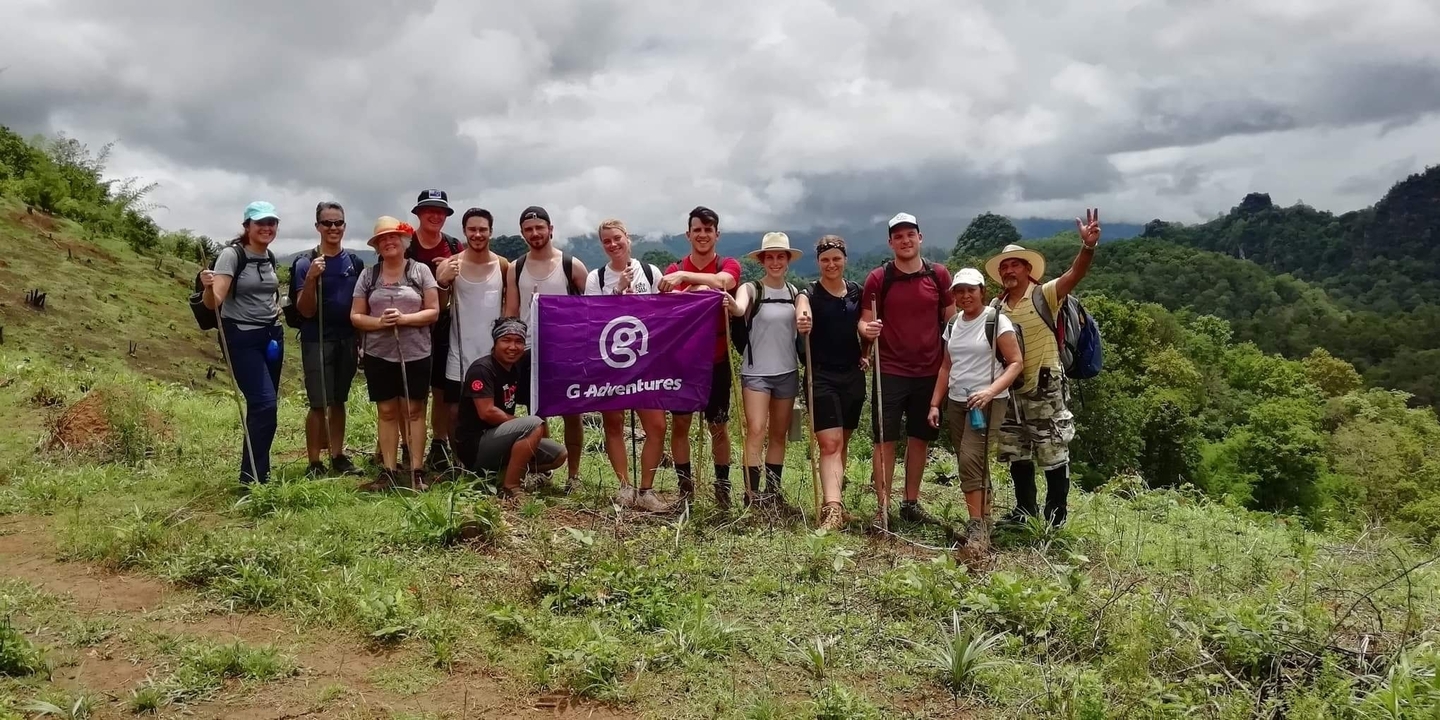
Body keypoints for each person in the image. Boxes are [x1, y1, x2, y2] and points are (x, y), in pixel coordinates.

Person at [985, 209, 1101, 527]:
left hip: (1045, 387)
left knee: (1052, 449)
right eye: (1004, 266)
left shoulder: (1044, 295)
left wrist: (1087, 247)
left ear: (1027, 269)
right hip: (1011, 390)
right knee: (1016, 450)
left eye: (1015, 265)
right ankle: (1025, 512)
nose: (1009, 270)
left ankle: (1055, 516)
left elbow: (1074, 275)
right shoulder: (996, 307)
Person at [858, 212, 955, 530]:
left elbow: (952, 322)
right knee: (884, 439)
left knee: (919, 438)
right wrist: (867, 330)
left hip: (929, 370)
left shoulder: (939, 276)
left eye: (910, 234)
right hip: (890, 370)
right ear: (890, 243)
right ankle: (882, 508)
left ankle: (910, 502)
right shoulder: (878, 279)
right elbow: (864, 319)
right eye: (898, 236)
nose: (905, 240)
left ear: (920, 237)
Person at [927, 268, 1023, 554]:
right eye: (959, 291)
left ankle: (977, 527)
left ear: (983, 291)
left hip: (988, 402)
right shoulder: (954, 323)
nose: (965, 295)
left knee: (970, 459)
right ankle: (985, 517)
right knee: (971, 460)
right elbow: (946, 366)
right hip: (957, 401)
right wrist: (935, 403)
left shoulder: (996, 321)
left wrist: (990, 391)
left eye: (971, 289)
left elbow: (1015, 362)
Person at [657, 206, 741, 508]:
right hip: (682, 361)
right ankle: (685, 490)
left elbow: (725, 282)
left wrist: (688, 281)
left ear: (717, 234)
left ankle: (722, 489)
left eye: (708, 230)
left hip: (717, 358)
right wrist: (697, 284)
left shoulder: (727, 264)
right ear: (688, 234)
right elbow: (670, 302)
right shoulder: (672, 269)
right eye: (698, 230)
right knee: (680, 425)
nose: (703, 235)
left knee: (718, 425)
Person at [350, 216, 440, 491]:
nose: (388, 242)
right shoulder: (369, 275)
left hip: (416, 352)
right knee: (387, 411)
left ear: (404, 241)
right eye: (382, 239)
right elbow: (355, 315)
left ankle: (416, 470)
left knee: (414, 410)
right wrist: (379, 323)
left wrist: (404, 318)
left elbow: (434, 311)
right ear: (377, 246)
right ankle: (388, 471)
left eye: (393, 237)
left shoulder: (420, 271)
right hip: (379, 354)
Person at [584, 219, 669, 511]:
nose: (613, 244)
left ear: (627, 238)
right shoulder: (596, 278)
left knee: (656, 425)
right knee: (614, 423)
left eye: (617, 238)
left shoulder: (650, 272)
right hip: (611, 361)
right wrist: (617, 292)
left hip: (646, 361)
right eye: (606, 241)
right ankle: (624, 487)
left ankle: (646, 489)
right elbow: (592, 318)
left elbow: (663, 313)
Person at [503, 205, 588, 491]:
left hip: (566, 350)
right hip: (529, 350)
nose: (535, 233)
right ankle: (543, 468)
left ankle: (574, 475)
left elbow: (589, 311)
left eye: (540, 228)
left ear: (550, 229)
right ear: (522, 233)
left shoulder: (571, 265)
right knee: (537, 413)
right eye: (528, 229)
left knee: (572, 412)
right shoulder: (516, 268)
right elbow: (512, 312)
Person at [200, 201, 284, 486]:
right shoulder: (231, 255)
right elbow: (215, 303)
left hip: (271, 336)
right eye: (260, 223)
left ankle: (259, 473)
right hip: (242, 338)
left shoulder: (269, 256)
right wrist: (208, 288)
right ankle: (253, 479)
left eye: (272, 222)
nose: (267, 227)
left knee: (265, 406)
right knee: (264, 404)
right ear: (247, 226)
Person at [725, 232, 802, 510]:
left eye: (780, 257)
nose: (775, 262)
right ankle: (751, 494)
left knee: (779, 434)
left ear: (787, 261)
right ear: (762, 260)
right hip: (756, 372)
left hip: (787, 371)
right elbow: (740, 307)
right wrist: (732, 305)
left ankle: (773, 492)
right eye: (770, 257)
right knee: (757, 429)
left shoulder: (795, 293)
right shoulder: (751, 288)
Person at [794, 235, 866, 531]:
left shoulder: (857, 292)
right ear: (818, 262)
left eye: (836, 258)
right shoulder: (808, 293)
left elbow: (864, 323)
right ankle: (832, 510)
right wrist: (802, 320)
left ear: (845, 259)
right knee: (830, 443)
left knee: (842, 442)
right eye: (825, 259)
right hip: (820, 375)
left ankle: (836, 501)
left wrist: (867, 349)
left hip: (852, 374)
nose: (831, 264)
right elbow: (801, 309)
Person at [291, 200, 365, 477]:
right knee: (317, 402)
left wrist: (360, 342)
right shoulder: (304, 263)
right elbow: (305, 309)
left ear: (344, 226)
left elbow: (360, 303)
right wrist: (311, 279)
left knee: (338, 400)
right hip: (316, 339)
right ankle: (314, 462)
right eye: (327, 223)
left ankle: (337, 455)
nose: (333, 228)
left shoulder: (354, 262)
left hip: (346, 338)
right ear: (318, 227)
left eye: (338, 223)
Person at [455, 318, 567, 501]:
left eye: (519, 341)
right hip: (475, 445)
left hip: (500, 438)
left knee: (558, 455)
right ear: (495, 342)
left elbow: (548, 349)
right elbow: (487, 412)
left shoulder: (517, 366)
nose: (512, 347)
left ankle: (500, 475)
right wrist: (523, 425)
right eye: (506, 340)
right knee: (534, 425)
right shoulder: (482, 369)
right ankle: (511, 487)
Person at [436, 207, 509, 463]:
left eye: (482, 229)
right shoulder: (450, 264)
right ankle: (459, 463)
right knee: (455, 411)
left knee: (494, 410)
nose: (477, 234)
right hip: (460, 351)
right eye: (472, 229)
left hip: (492, 356)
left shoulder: (502, 265)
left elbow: (508, 306)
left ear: (491, 231)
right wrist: (443, 282)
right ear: (464, 232)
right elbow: (439, 307)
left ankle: (492, 460)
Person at [407, 189, 463, 473]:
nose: (435, 215)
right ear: (418, 213)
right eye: (429, 210)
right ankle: (405, 445)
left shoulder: (454, 247)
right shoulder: (407, 246)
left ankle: (439, 443)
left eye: (441, 211)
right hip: (410, 325)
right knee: (410, 390)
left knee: (441, 388)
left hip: (443, 325)